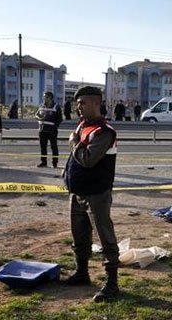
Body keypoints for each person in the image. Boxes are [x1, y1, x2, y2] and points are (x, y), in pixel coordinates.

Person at [62, 85, 120, 303]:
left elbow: (88, 159)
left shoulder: (104, 131)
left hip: (97, 193)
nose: (79, 107)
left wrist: (73, 143)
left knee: (105, 238)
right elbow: (76, 159)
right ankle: (82, 273)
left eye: (83, 103)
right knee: (79, 236)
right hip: (77, 192)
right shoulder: (82, 126)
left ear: (96, 103)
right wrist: (66, 172)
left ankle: (112, 284)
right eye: (77, 104)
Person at [35, 91, 63, 168]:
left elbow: (59, 119)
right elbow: (36, 114)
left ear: (50, 98)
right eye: (44, 97)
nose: (44, 98)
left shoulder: (56, 107)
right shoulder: (41, 105)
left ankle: (55, 163)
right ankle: (43, 162)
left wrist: (55, 127)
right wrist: (39, 118)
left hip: (52, 131)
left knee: (53, 147)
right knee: (43, 147)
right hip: (42, 130)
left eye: (45, 97)